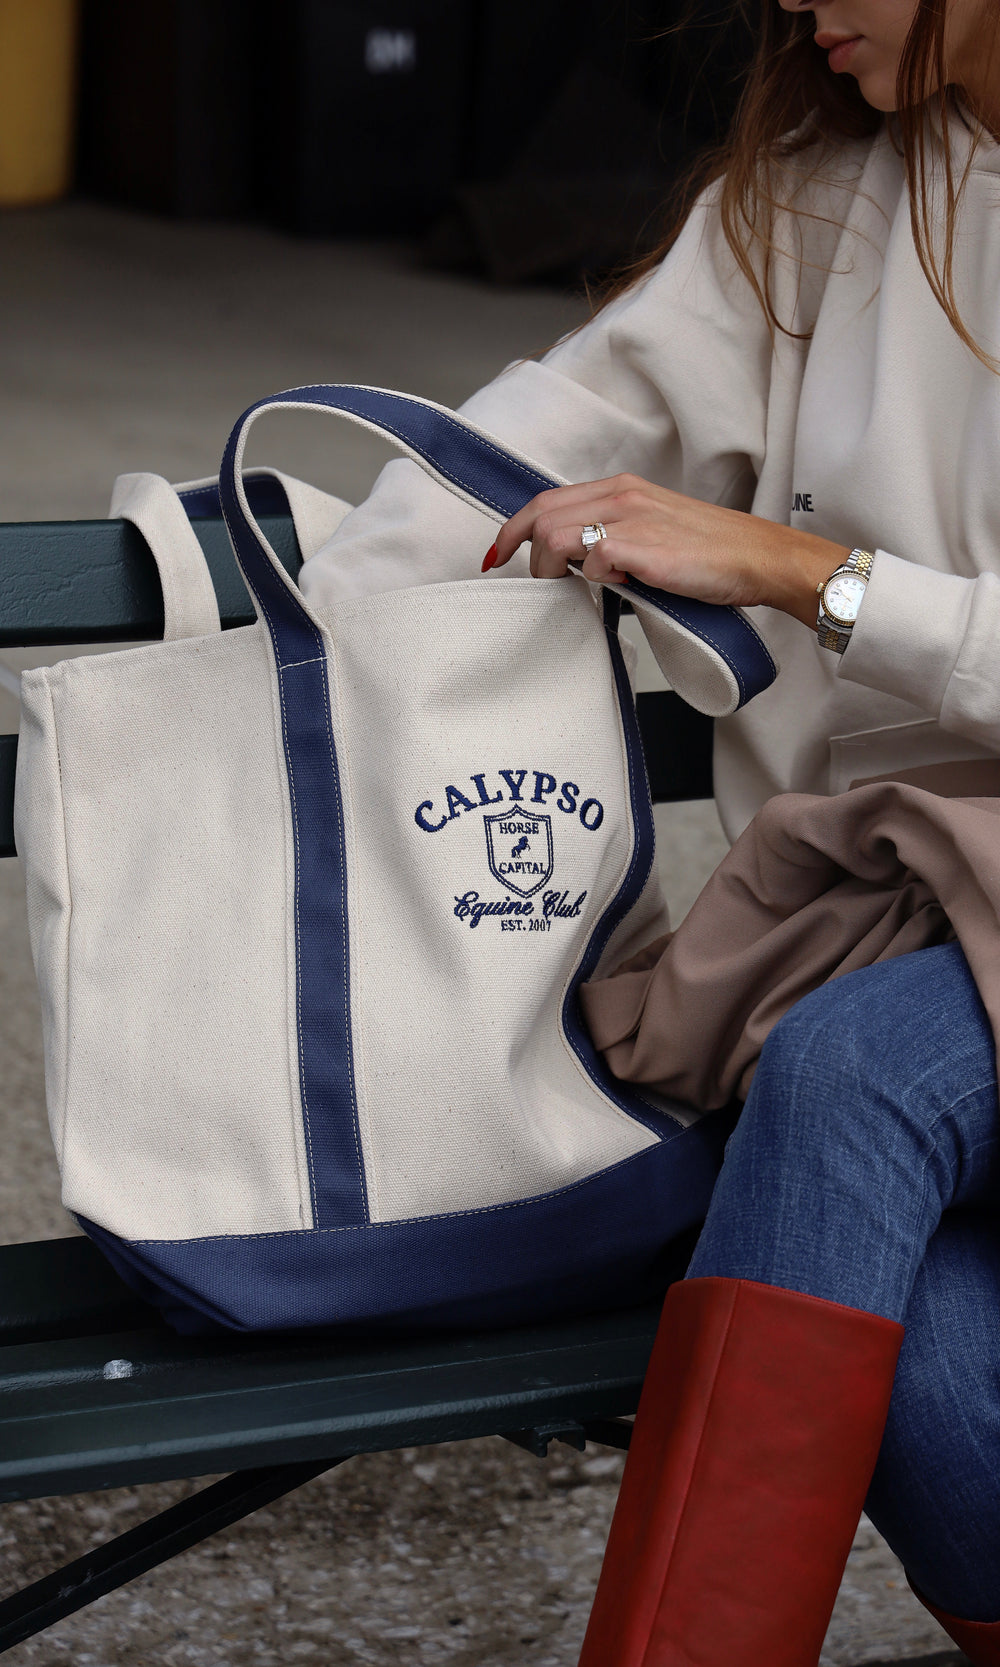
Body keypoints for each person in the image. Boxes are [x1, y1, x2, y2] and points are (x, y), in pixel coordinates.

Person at [300, 0, 1000, 1658]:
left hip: (910, 993)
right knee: (927, 1374)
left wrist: (804, 574)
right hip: (897, 910)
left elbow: (790, 570)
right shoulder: (828, 197)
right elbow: (551, 437)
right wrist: (298, 630)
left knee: (851, 1075)